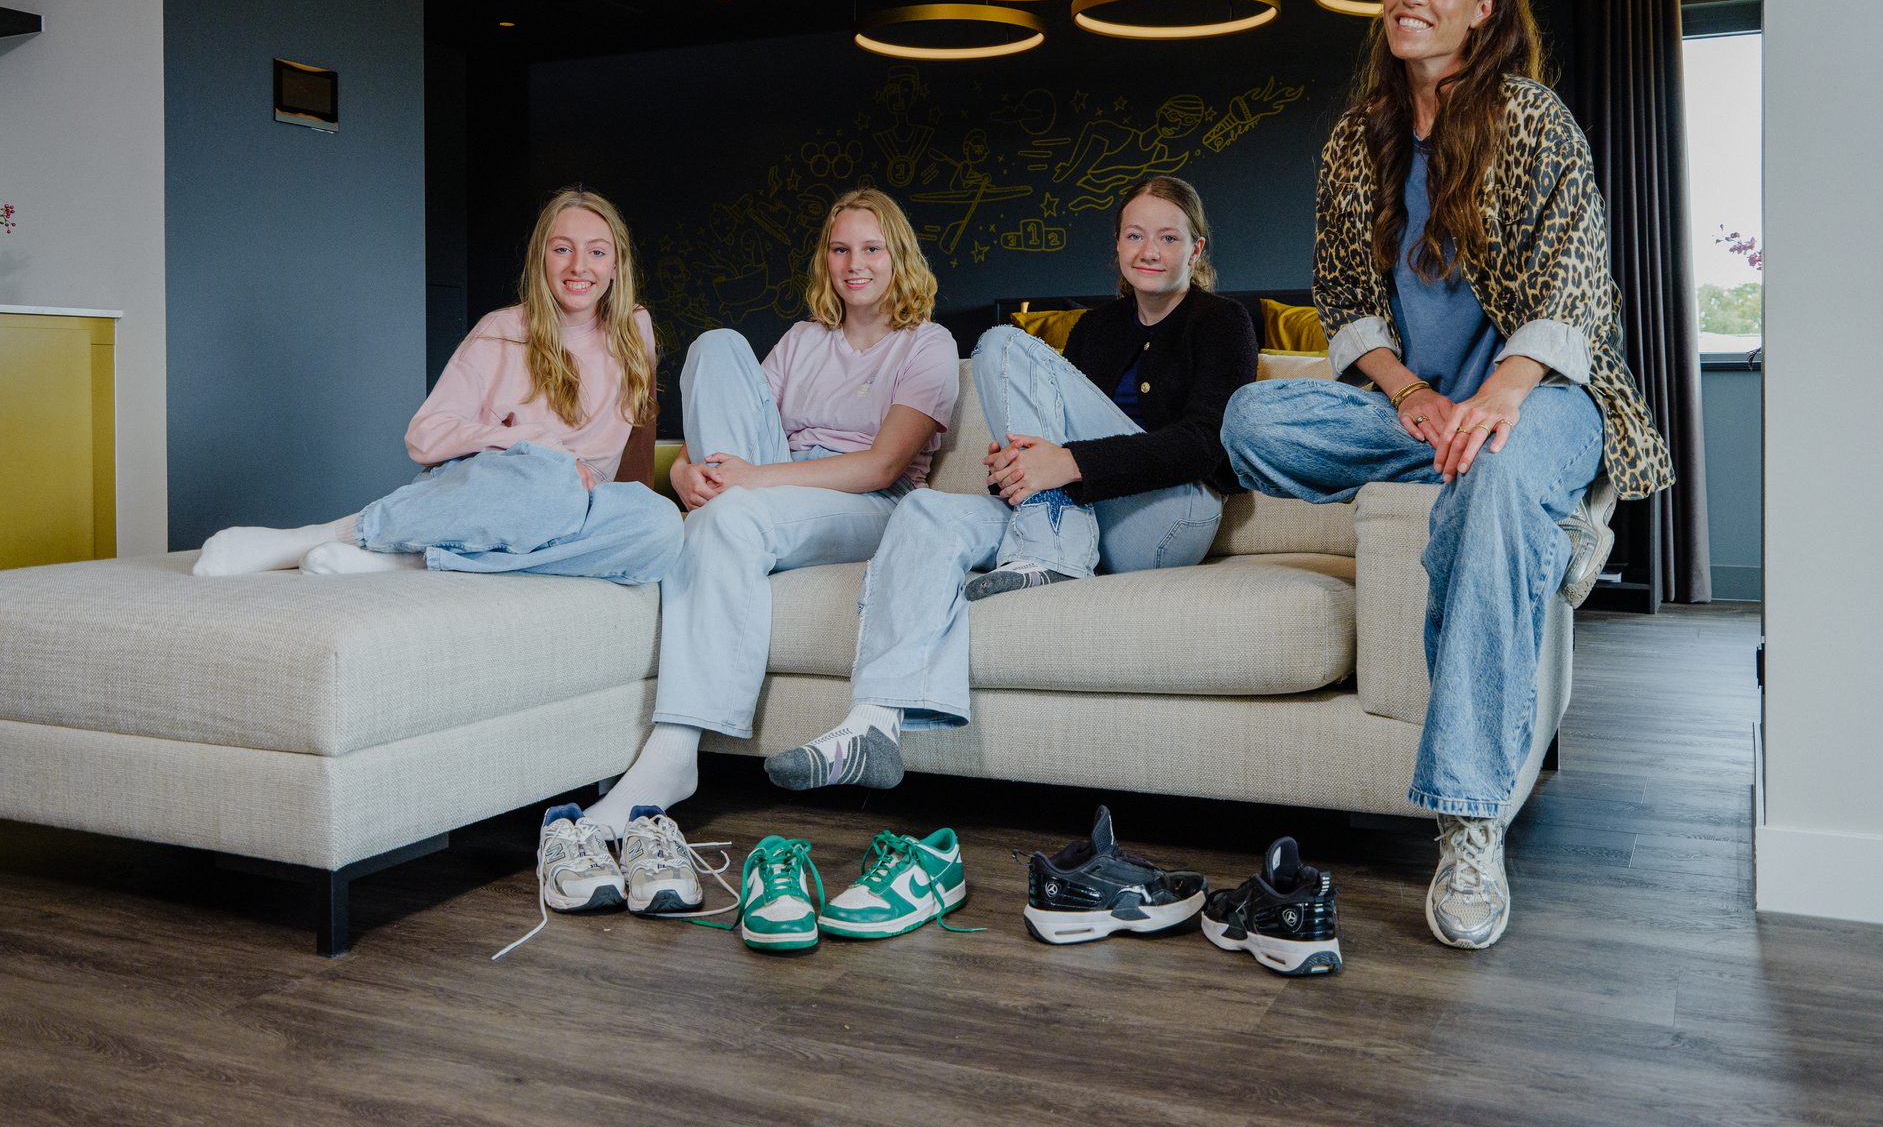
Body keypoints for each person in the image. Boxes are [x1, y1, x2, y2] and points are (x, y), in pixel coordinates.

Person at [1219, 0, 1674, 950]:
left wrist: (1497, 400)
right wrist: (1413, 397)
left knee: (1502, 471)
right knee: (1252, 417)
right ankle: (1502, 506)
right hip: (1422, 424)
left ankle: (1469, 820)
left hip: (1545, 399)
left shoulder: (1531, 118)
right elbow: (1345, 306)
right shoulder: (1357, 141)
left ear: (1482, 8)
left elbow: (1573, 290)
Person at [764, 176, 1258, 792]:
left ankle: (1048, 548)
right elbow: (1050, 447)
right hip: (1080, 521)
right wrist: (1017, 468)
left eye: (1167, 237)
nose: (1149, 250)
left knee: (1001, 343)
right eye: (1134, 235)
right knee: (922, 513)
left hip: (1170, 518)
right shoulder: (1096, 329)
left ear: (1197, 249)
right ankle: (873, 725)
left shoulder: (1223, 321)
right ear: (1118, 247)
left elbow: (1206, 443)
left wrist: (1067, 463)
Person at [580, 186, 959, 832]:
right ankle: (722, 516)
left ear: (898, 257)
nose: (854, 263)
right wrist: (692, 475)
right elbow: (734, 430)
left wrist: (751, 482)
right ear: (826, 261)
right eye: (840, 249)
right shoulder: (804, 339)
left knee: (733, 514)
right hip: (773, 485)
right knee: (718, 344)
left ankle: (674, 750)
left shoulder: (927, 343)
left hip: (867, 503)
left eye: (871, 248)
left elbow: (883, 466)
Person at [193, 186, 681, 585]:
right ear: (541, 259)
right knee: (549, 484)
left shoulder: (634, 331)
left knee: (659, 526)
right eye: (562, 249)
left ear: (616, 266)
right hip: (506, 493)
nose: (580, 266)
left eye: (597, 252)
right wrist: (537, 445)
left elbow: (633, 445)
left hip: (581, 509)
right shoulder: (502, 330)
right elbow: (423, 436)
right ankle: (318, 538)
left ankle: (416, 561)